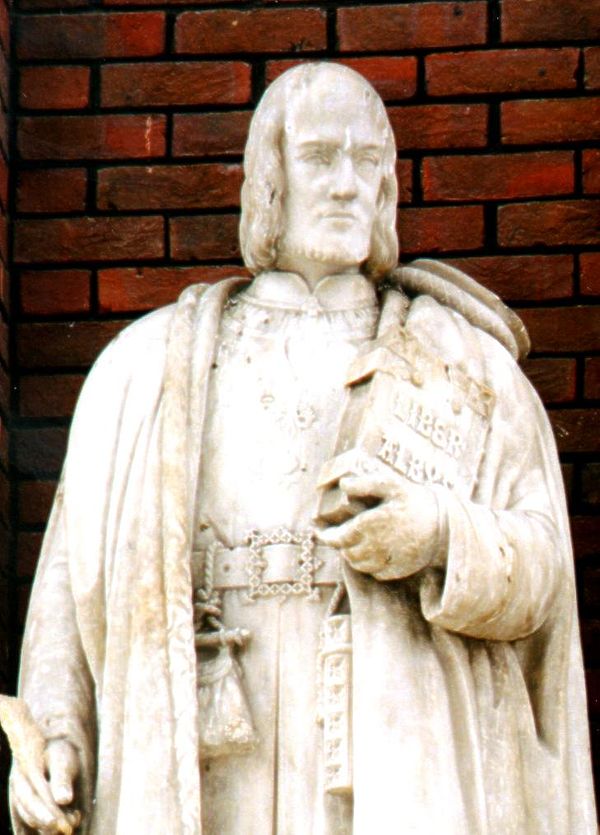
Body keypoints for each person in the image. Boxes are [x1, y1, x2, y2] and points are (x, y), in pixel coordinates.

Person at [9, 62, 596, 834]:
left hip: (397, 753)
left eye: (367, 161)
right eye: (321, 157)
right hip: (204, 749)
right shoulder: (141, 370)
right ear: (270, 179)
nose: (348, 184)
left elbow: (543, 575)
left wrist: (439, 532)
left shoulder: (466, 367)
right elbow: (69, 587)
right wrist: (58, 737)